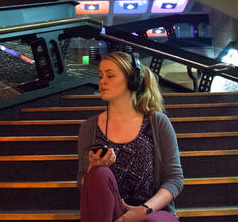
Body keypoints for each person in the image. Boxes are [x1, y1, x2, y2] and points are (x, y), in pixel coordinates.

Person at [77, 51, 183, 222]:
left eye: (110, 76)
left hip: (153, 211)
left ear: (132, 80)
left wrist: (144, 210)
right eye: (100, 75)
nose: (102, 81)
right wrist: (92, 169)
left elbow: (175, 179)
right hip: (110, 212)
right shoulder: (89, 127)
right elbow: (82, 181)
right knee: (98, 173)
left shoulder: (157, 122)